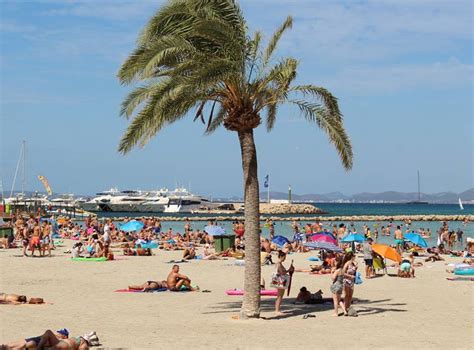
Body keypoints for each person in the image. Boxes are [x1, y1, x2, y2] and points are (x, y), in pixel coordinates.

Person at [273, 250, 294, 316]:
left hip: (279, 280)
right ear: (281, 257)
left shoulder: (279, 263)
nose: (285, 259)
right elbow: (282, 272)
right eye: (284, 257)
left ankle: (277, 309)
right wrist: (289, 270)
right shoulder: (278, 263)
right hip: (280, 280)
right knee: (280, 296)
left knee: (279, 295)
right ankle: (277, 310)